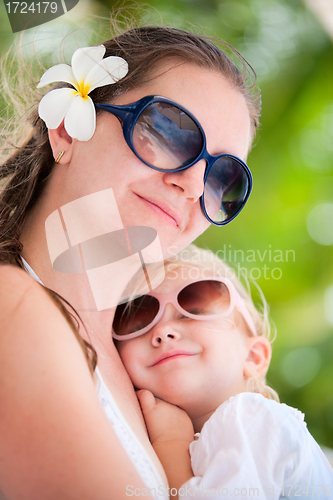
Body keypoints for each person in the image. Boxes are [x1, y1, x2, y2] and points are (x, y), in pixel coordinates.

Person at [0, 19, 261, 500]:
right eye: (168, 131)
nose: (192, 184)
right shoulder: (11, 304)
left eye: (223, 178)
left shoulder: (153, 369)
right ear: (67, 131)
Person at [114, 245, 333, 499]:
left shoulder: (252, 417)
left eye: (193, 312)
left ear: (253, 357)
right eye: (137, 323)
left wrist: (170, 442)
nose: (163, 332)